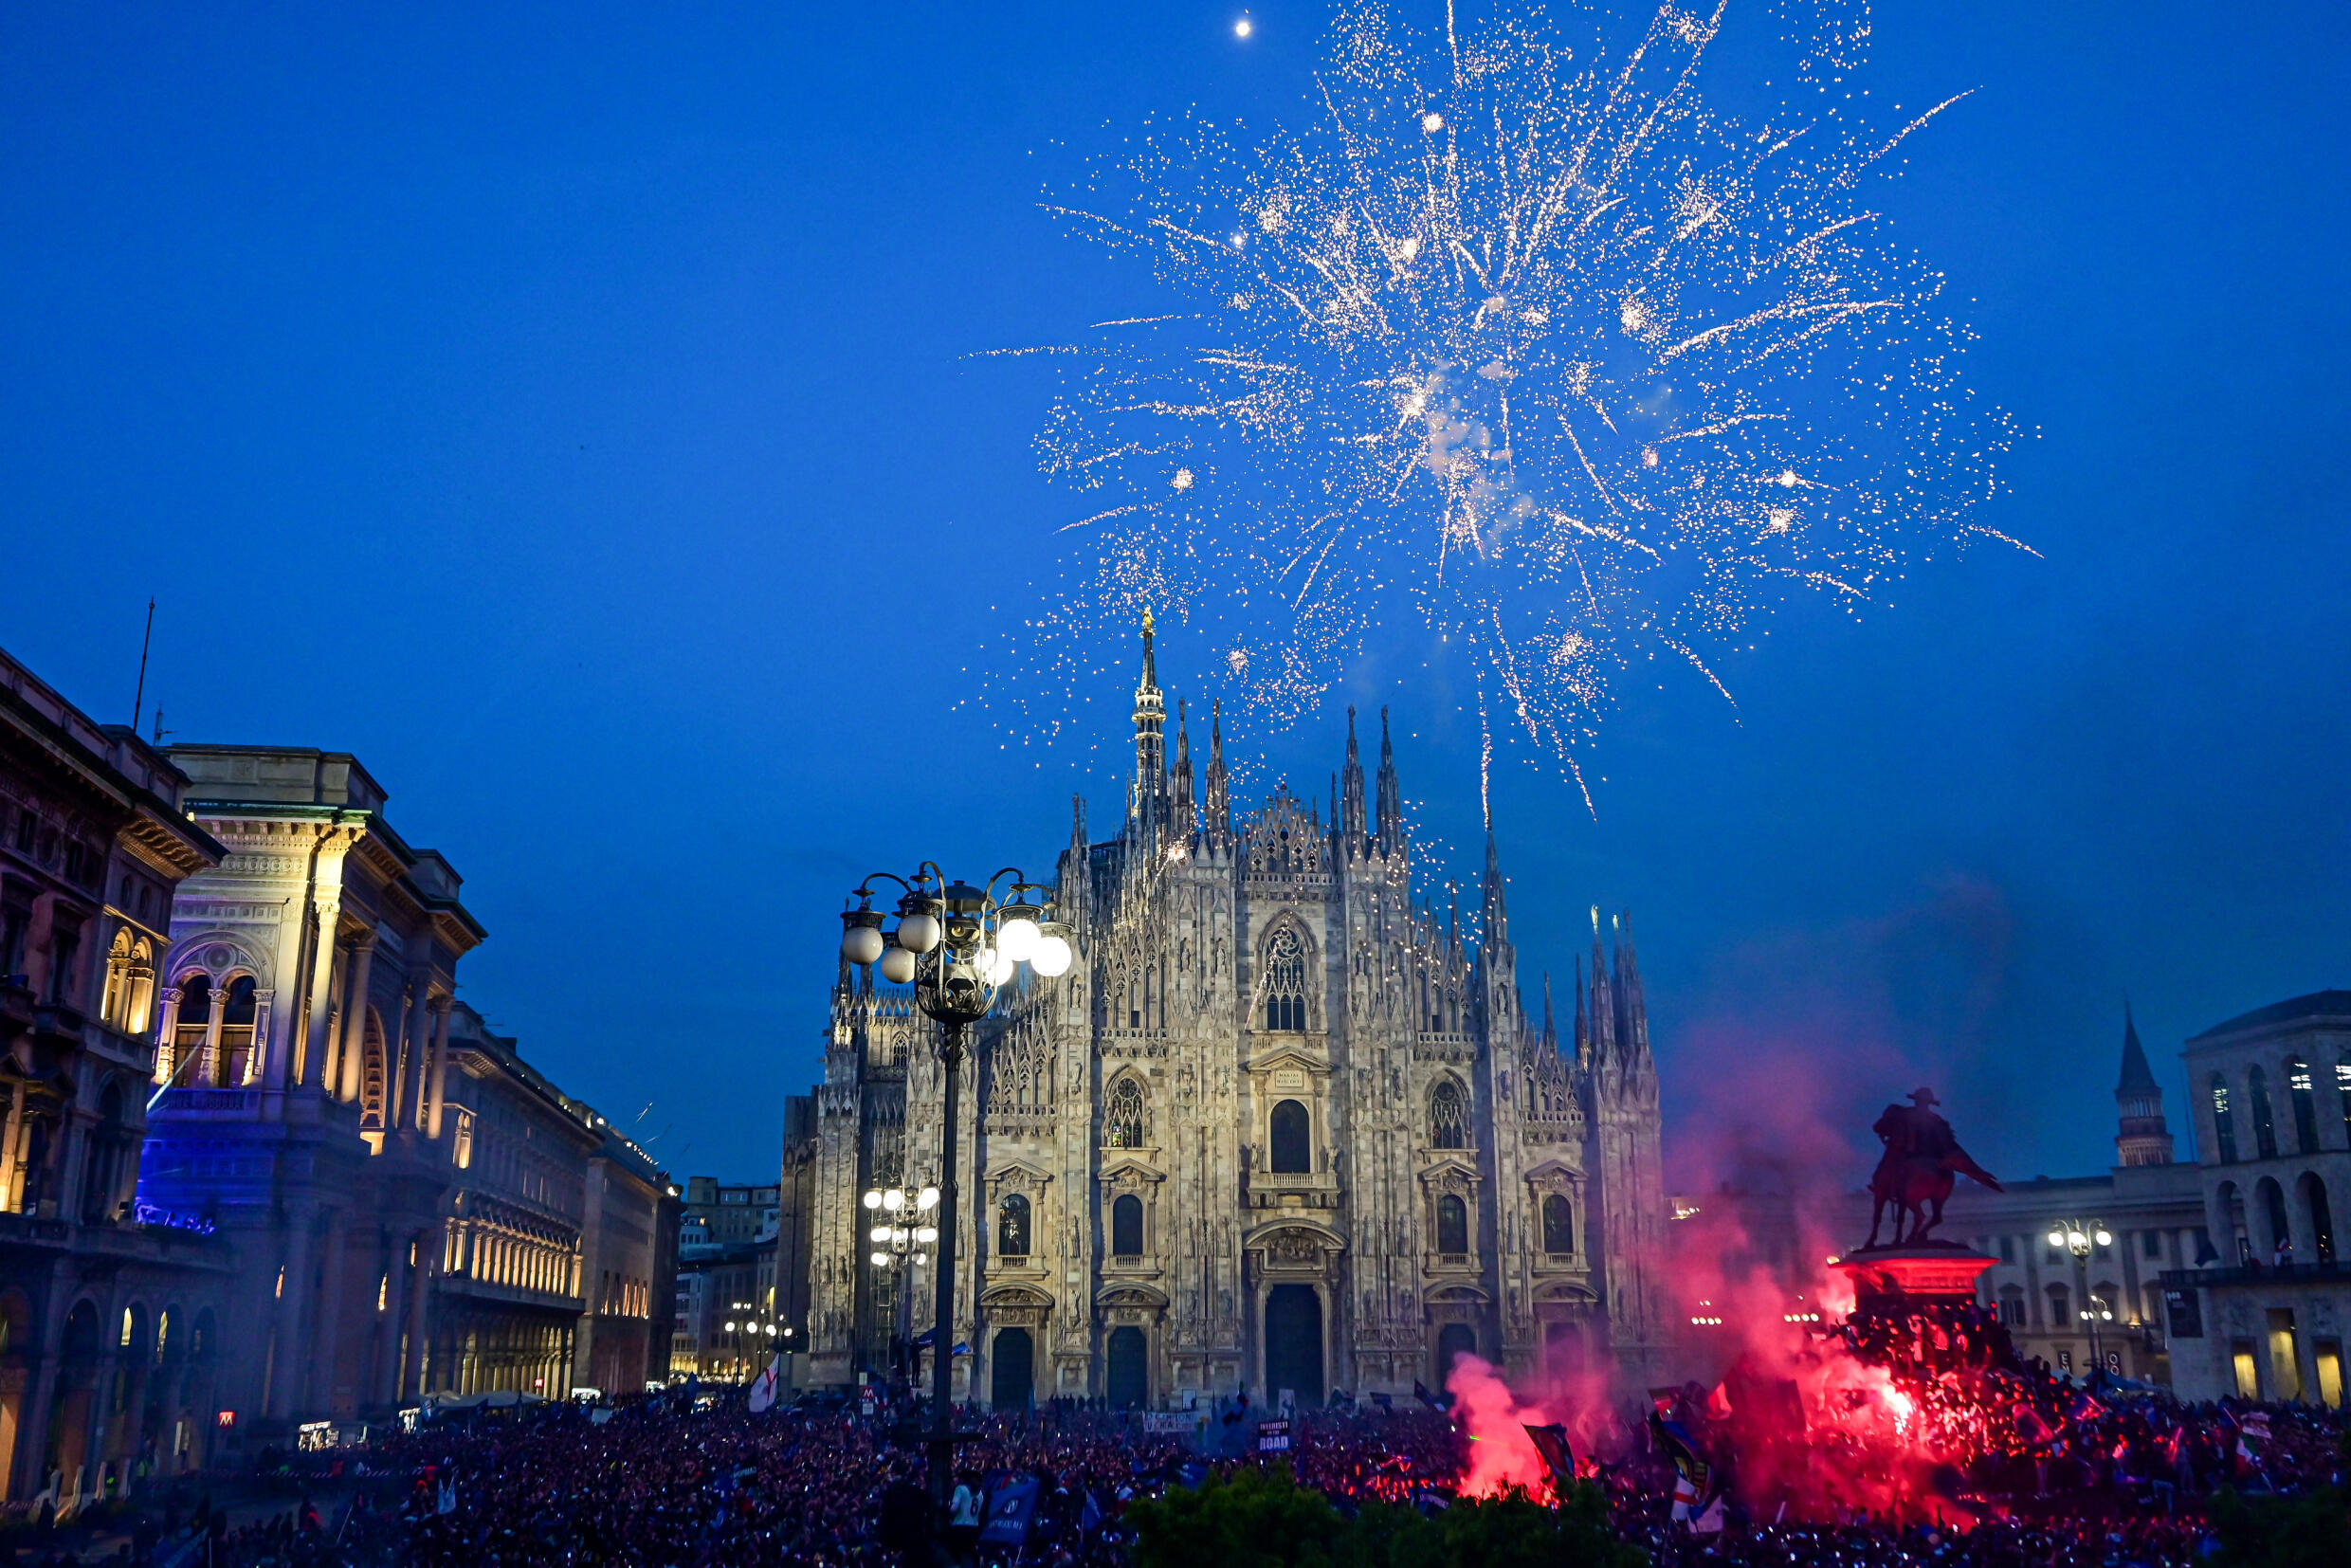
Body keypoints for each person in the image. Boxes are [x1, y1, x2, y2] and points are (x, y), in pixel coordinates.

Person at [948, 1470, 982, 1561]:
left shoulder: (960, 1489)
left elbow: (954, 1509)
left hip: (960, 1526)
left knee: (956, 1555)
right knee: (970, 1554)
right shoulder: (980, 1493)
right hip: (974, 1528)